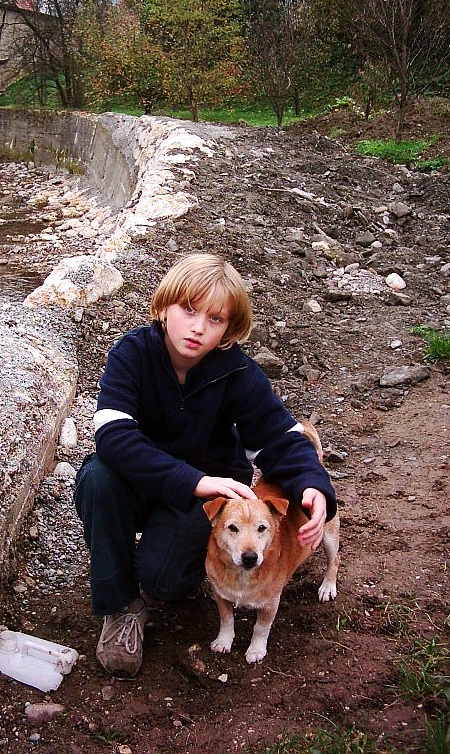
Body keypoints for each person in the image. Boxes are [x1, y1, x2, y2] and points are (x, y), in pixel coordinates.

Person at [74, 253, 337, 678]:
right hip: (147, 482)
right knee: (96, 477)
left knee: (164, 582)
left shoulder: (238, 373)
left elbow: (282, 438)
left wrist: (313, 486)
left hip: (212, 497)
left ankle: (175, 559)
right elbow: (113, 436)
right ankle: (120, 606)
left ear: (230, 329)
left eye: (215, 319)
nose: (198, 327)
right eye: (189, 310)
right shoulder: (131, 354)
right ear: (163, 308)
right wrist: (193, 480)